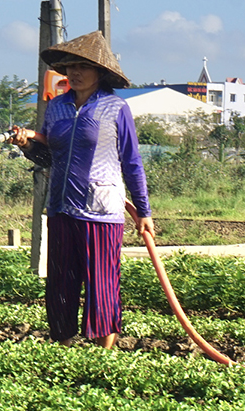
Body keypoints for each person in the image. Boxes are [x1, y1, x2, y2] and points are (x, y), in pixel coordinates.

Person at [9, 31, 154, 349]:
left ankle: (104, 352)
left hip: (101, 212)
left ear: (100, 72)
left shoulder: (115, 108)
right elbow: (47, 156)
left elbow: (132, 162)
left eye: (82, 67)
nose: (74, 72)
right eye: (70, 66)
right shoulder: (57, 107)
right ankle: (64, 345)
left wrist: (143, 211)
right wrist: (26, 145)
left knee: (101, 282)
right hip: (60, 208)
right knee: (61, 282)